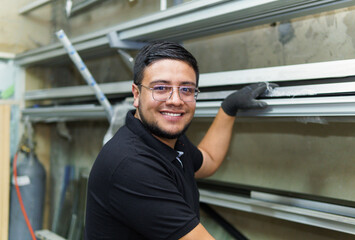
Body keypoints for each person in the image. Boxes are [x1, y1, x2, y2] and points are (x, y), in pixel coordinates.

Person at [85, 41, 274, 239]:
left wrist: (228, 108)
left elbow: (207, 160)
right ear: (136, 94)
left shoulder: (166, 140)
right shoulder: (131, 164)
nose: (176, 100)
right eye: (160, 88)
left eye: (186, 90)